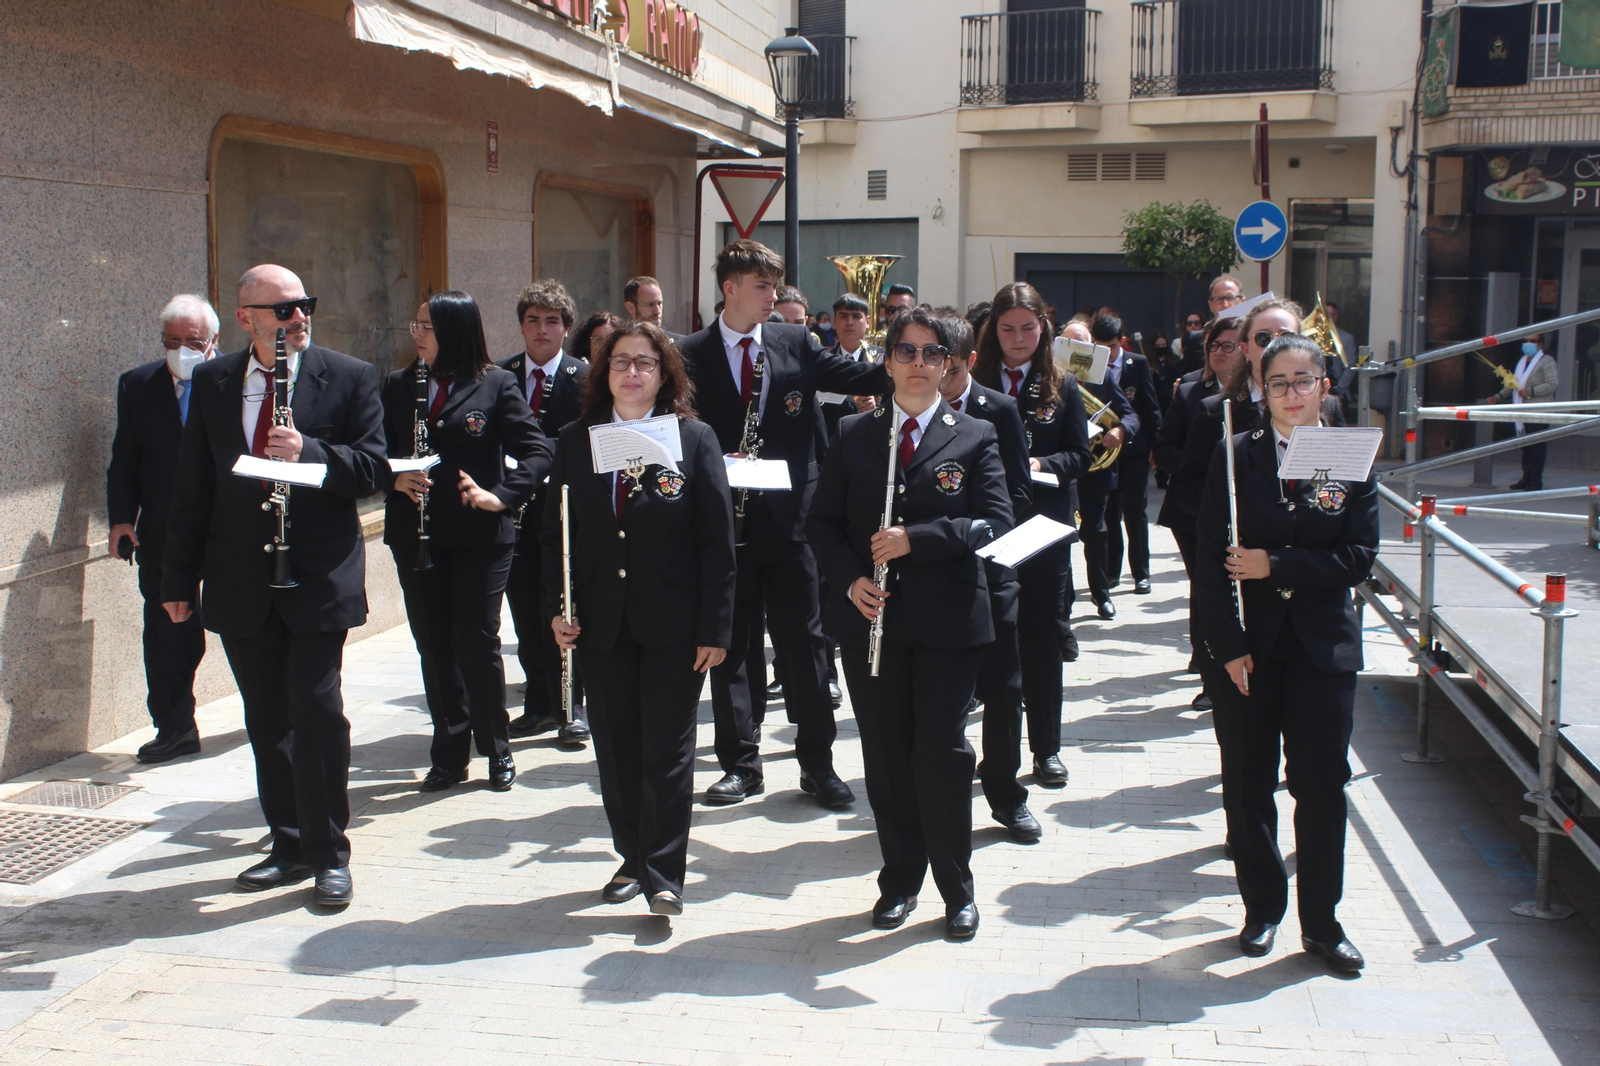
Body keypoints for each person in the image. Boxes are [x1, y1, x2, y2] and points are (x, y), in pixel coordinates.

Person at [161, 264, 386, 907]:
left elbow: (372, 466)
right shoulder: (212, 380)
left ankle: (328, 851)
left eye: (303, 305)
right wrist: (176, 577)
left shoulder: (347, 376)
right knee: (267, 718)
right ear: (246, 319)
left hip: (315, 574)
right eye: (281, 309)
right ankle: (286, 844)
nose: (297, 317)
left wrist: (310, 452)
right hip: (241, 577)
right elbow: (192, 485)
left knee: (317, 712)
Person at [807, 305, 1012, 939]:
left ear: (949, 364)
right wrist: (851, 578)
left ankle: (958, 889)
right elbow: (821, 524)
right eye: (906, 351)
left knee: (942, 754)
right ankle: (899, 880)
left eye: (931, 353)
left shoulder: (974, 434)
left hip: (949, 623)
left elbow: (997, 522)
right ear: (888, 361)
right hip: (873, 623)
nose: (918, 363)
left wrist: (916, 538)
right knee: (887, 755)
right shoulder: (852, 434)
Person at [676, 239, 887, 807]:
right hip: (724, 524)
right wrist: (718, 462)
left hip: (792, 521)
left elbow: (851, 375)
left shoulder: (794, 339)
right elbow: (678, 428)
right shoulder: (690, 351)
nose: (773, 296)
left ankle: (817, 763)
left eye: (774, 286)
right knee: (731, 646)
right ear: (731, 288)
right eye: (762, 286)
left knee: (805, 645)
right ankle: (740, 763)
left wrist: (911, 366)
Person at [1192, 333, 1378, 974]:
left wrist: (1275, 563)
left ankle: (1323, 925)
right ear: (1259, 389)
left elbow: (1358, 556)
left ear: (1324, 386)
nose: (1292, 394)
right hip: (1250, 649)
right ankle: (1262, 909)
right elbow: (1209, 564)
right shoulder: (1234, 455)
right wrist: (1227, 647)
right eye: (1278, 383)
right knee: (1247, 784)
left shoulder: (1349, 453)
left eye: (1304, 380)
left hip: (1323, 649)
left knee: (1321, 786)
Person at [545, 322, 736, 916]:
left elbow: (718, 542)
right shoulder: (577, 440)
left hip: (675, 624)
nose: (632, 373)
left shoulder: (695, 438)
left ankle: (664, 873)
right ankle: (631, 856)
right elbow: (558, 538)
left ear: (664, 374)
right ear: (604, 373)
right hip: (601, 623)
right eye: (620, 362)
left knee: (669, 750)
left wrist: (716, 629)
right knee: (618, 748)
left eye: (645, 363)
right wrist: (559, 608)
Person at [382, 291, 552, 792]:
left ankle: (496, 748)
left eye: (426, 327)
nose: (417, 336)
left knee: (477, 641)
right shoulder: (398, 385)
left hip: (480, 534)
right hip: (416, 535)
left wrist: (501, 496)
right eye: (414, 326)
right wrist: (394, 478)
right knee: (434, 645)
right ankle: (449, 752)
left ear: (453, 331)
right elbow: (372, 451)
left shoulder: (495, 384)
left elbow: (537, 452)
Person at [973, 284, 1093, 787]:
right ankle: (996, 754)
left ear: (1043, 328)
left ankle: (1047, 750)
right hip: (990, 530)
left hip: (1043, 530)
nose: (1018, 338)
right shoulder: (972, 381)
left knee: (1043, 643)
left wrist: (1041, 463)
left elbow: (1081, 456)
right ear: (993, 330)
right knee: (995, 645)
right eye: (1007, 328)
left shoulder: (1063, 384)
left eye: (1028, 327)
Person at [937, 310, 1040, 842]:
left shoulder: (998, 409)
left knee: (1004, 690)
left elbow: (1019, 493)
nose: (938, 378)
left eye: (949, 370)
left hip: (993, 570)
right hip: (935, 576)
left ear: (969, 364)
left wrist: (982, 534)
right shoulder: (908, 411)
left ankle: (1006, 793)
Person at [108, 294, 219, 764]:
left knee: (253, 624)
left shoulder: (236, 381)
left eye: (192, 341)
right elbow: (125, 459)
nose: (181, 350)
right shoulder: (138, 385)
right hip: (164, 530)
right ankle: (174, 726)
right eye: (171, 341)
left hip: (229, 526)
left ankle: (279, 714)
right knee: (166, 630)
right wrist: (120, 520)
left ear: (214, 342)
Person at [500, 281, 591, 742]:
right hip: (516, 512)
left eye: (551, 321)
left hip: (566, 510)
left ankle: (573, 706)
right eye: (532, 320)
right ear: (521, 326)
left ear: (566, 328)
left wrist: (541, 455)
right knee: (525, 610)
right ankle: (538, 703)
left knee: (565, 607)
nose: (541, 329)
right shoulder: (499, 375)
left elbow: (589, 438)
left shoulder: (586, 376)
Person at [1155, 317, 1243, 710]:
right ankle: (1210, 677)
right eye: (1215, 345)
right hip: (1192, 509)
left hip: (1243, 510)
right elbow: (1166, 447)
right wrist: (1203, 468)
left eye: (1230, 345)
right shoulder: (1191, 393)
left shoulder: (1256, 397)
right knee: (1206, 587)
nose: (1222, 352)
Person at [1077, 315, 1139, 620]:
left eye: (1082, 345)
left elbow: (1130, 415)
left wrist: (1120, 431)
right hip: (1058, 469)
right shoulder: (1045, 376)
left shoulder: (1101, 376)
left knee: (1096, 531)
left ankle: (1101, 595)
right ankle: (1060, 603)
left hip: (1095, 468)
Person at [1100, 314, 1161, 594]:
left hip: (1135, 450)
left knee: (1135, 512)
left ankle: (1141, 573)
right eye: (1100, 346)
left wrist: (1156, 448)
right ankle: (1112, 572)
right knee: (1110, 512)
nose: (1106, 353)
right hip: (1103, 450)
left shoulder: (1137, 364)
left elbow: (1150, 408)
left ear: (1121, 342)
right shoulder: (1091, 365)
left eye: (1111, 347)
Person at [1482, 332, 1558, 490]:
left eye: (1533, 341)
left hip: (1539, 411)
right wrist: (1498, 396)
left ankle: (1535, 481)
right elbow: (1513, 384)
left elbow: (1552, 384)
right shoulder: (1522, 362)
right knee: (1526, 447)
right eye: (1526, 340)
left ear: (1540, 344)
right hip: (1522, 411)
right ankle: (1526, 477)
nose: (1529, 343)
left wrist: (1531, 391)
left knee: (1536, 447)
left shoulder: (1547, 361)